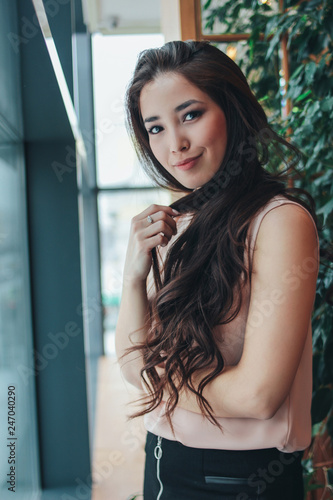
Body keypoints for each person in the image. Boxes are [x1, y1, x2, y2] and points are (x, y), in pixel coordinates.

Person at [115, 40, 320, 500]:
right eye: (155, 128)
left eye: (190, 114)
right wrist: (132, 275)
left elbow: (257, 396)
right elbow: (132, 365)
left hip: (239, 478)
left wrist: (158, 381)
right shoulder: (177, 223)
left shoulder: (278, 221)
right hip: (163, 460)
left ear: (230, 109)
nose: (175, 144)